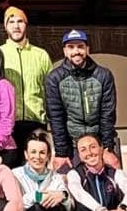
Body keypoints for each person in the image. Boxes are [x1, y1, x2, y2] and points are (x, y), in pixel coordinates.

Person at [46, 29, 118, 170]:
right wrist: (61, 153)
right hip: (71, 144)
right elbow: (56, 117)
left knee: (114, 175)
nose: (76, 51)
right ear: (65, 51)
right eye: (71, 47)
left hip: (100, 142)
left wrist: (108, 147)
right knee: (65, 181)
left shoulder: (103, 75)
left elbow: (107, 114)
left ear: (87, 49)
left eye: (80, 46)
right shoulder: (54, 78)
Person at [0, 6, 53, 167]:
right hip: (9, 124)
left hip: (35, 121)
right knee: (11, 170)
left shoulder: (41, 55)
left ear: (26, 25)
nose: (16, 26)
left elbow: (50, 91)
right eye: (11, 22)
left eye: (20, 21)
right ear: (6, 27)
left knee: (36, 167)